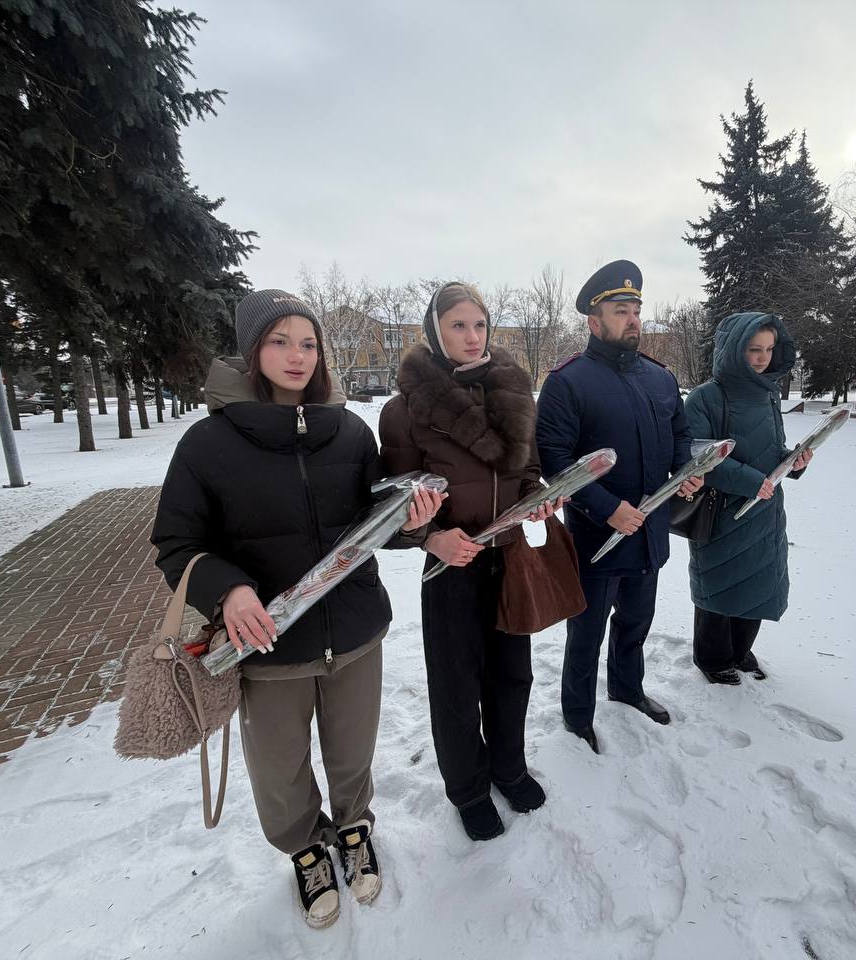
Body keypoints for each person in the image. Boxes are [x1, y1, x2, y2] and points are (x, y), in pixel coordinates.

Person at [150, 289, 441, 929]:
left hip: (356, 634)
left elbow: (373, 528)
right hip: (270, 646)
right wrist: (228, 591)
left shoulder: (350, 431)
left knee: (351, 754)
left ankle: (354, 830)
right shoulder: (208, 444)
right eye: (279, 341)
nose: (296, 355)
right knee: (280, 769)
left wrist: (411, 522)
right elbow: (176, 544)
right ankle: (307, 849)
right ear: (253, 351)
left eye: (307, 342)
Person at [379, 281, 562, 842]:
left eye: (479, 324)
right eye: (458, 325)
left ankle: (508, 767)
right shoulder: (405, 409)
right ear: (435, 330)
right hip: (450, 568)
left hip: (509, 559)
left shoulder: (513, 391)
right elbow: (391, 501)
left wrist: (542, 498)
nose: (471, 335)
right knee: (457, 685)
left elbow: (526, 474)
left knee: (513, 674)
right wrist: (430, 537)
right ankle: (468, 789)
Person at [535, 260, 702, 754]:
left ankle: (627, 688)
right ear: (594, 321)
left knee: (636, 621)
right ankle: (577, 715)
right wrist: (607, 508)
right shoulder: (569, 382)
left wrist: (683, 476)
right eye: (620, 311)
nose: (632, 319)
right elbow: (555, 461)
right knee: (585, 634)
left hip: (650, 532)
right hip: (598, 538)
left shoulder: (660, 377)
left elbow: (680, 435)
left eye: (636, 310)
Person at [683, 313, 812, 685]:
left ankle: (740, 650)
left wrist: (794, 461)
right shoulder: (706, 396)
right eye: (754, 349)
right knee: (719, 582)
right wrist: (750, 481)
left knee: (757, 581)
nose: (762, 358)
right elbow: (698, 456)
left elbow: (769, 450)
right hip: (722, 510)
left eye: (769, 349)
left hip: (766, 508)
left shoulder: (768, 392)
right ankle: (712, 657)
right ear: (734, 349)